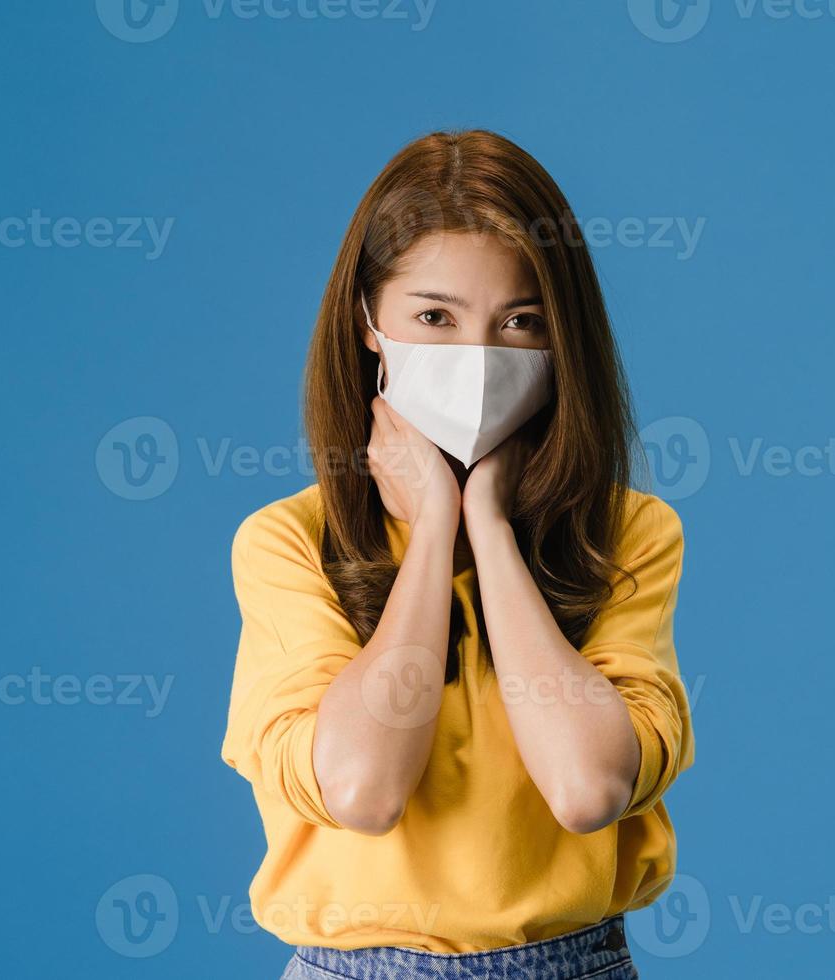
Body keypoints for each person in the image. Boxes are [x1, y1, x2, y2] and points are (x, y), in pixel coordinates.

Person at [222, 129, 694, 980]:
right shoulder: (288, 543)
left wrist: (492, 531)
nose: (476, 360)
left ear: (562, 344)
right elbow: (363, 792)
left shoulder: (629, 533)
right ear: (368, 322)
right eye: (434, 317)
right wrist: (432, 531)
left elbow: (588, 789)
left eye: (519, 322)